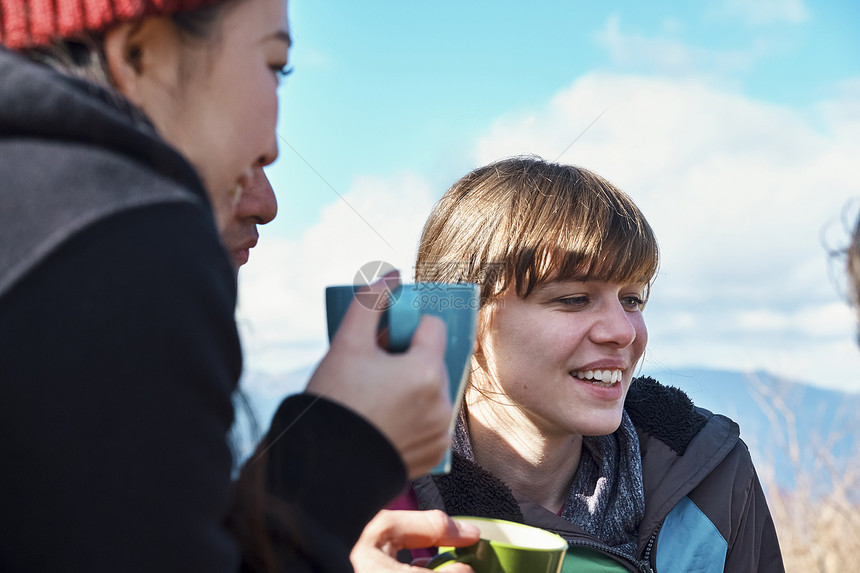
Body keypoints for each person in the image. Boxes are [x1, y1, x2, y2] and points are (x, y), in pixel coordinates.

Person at [0, 1, 476, 571]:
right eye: (276, 65)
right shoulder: (121, 235)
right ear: (138, 53)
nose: (269, 194)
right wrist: (346, 444)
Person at [394, 156, 785, 572]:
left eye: (632, 299)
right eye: (574, 299)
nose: (624, 331)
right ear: (459, 320)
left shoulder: (709, 477)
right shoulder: (360, 493)